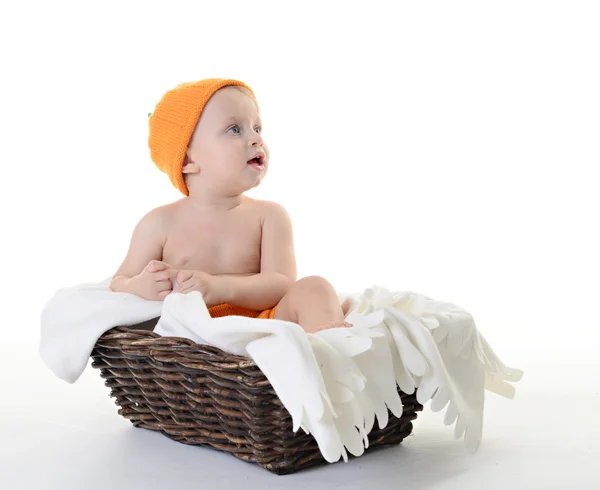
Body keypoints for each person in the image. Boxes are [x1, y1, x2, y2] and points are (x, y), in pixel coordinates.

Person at [109, 78, 351, 334]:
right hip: (190, 334)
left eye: (257, 128)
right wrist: (140, 286)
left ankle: (330, 350)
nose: (256, 139)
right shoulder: (159, 223)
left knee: (315, 288)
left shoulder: (268, 216)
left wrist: (219, 288)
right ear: (189, 159)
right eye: (235, 129)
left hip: (265, 326)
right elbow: (118, 282)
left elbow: (282, 284)